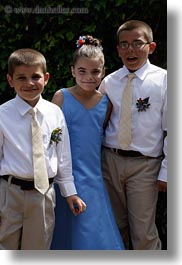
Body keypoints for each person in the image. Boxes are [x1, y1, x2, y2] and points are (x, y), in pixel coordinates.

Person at [0, 48, 86, 250]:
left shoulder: (54, 113)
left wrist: (70, 192)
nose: (29, 83)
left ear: (46, 78)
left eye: (35, 77)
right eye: (21, 77)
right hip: (9, 192)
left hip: (44, 193)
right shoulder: (3, 114)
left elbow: (62, 155)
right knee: (5, 244)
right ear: (10, 80)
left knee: (38, 246)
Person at [51, 35, 125, 250]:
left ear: (103, 72)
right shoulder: (61, 98)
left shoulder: (106, 103)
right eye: (82, 71)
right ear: (73, 70)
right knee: (65, 232)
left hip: (93, 178)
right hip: (63, 175)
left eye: (95, 72)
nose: (88, 77)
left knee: (93, 229)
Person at [98, 20, 167, 250]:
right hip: (111, 161)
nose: (130, 50)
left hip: (145, 165)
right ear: (117, 49)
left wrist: (167, 171)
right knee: (114, 227)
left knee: (143, 230)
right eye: (124, 45)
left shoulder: (165, 80)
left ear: (151, 47)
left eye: (137, 43)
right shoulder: (109, 82)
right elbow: (99, 121)